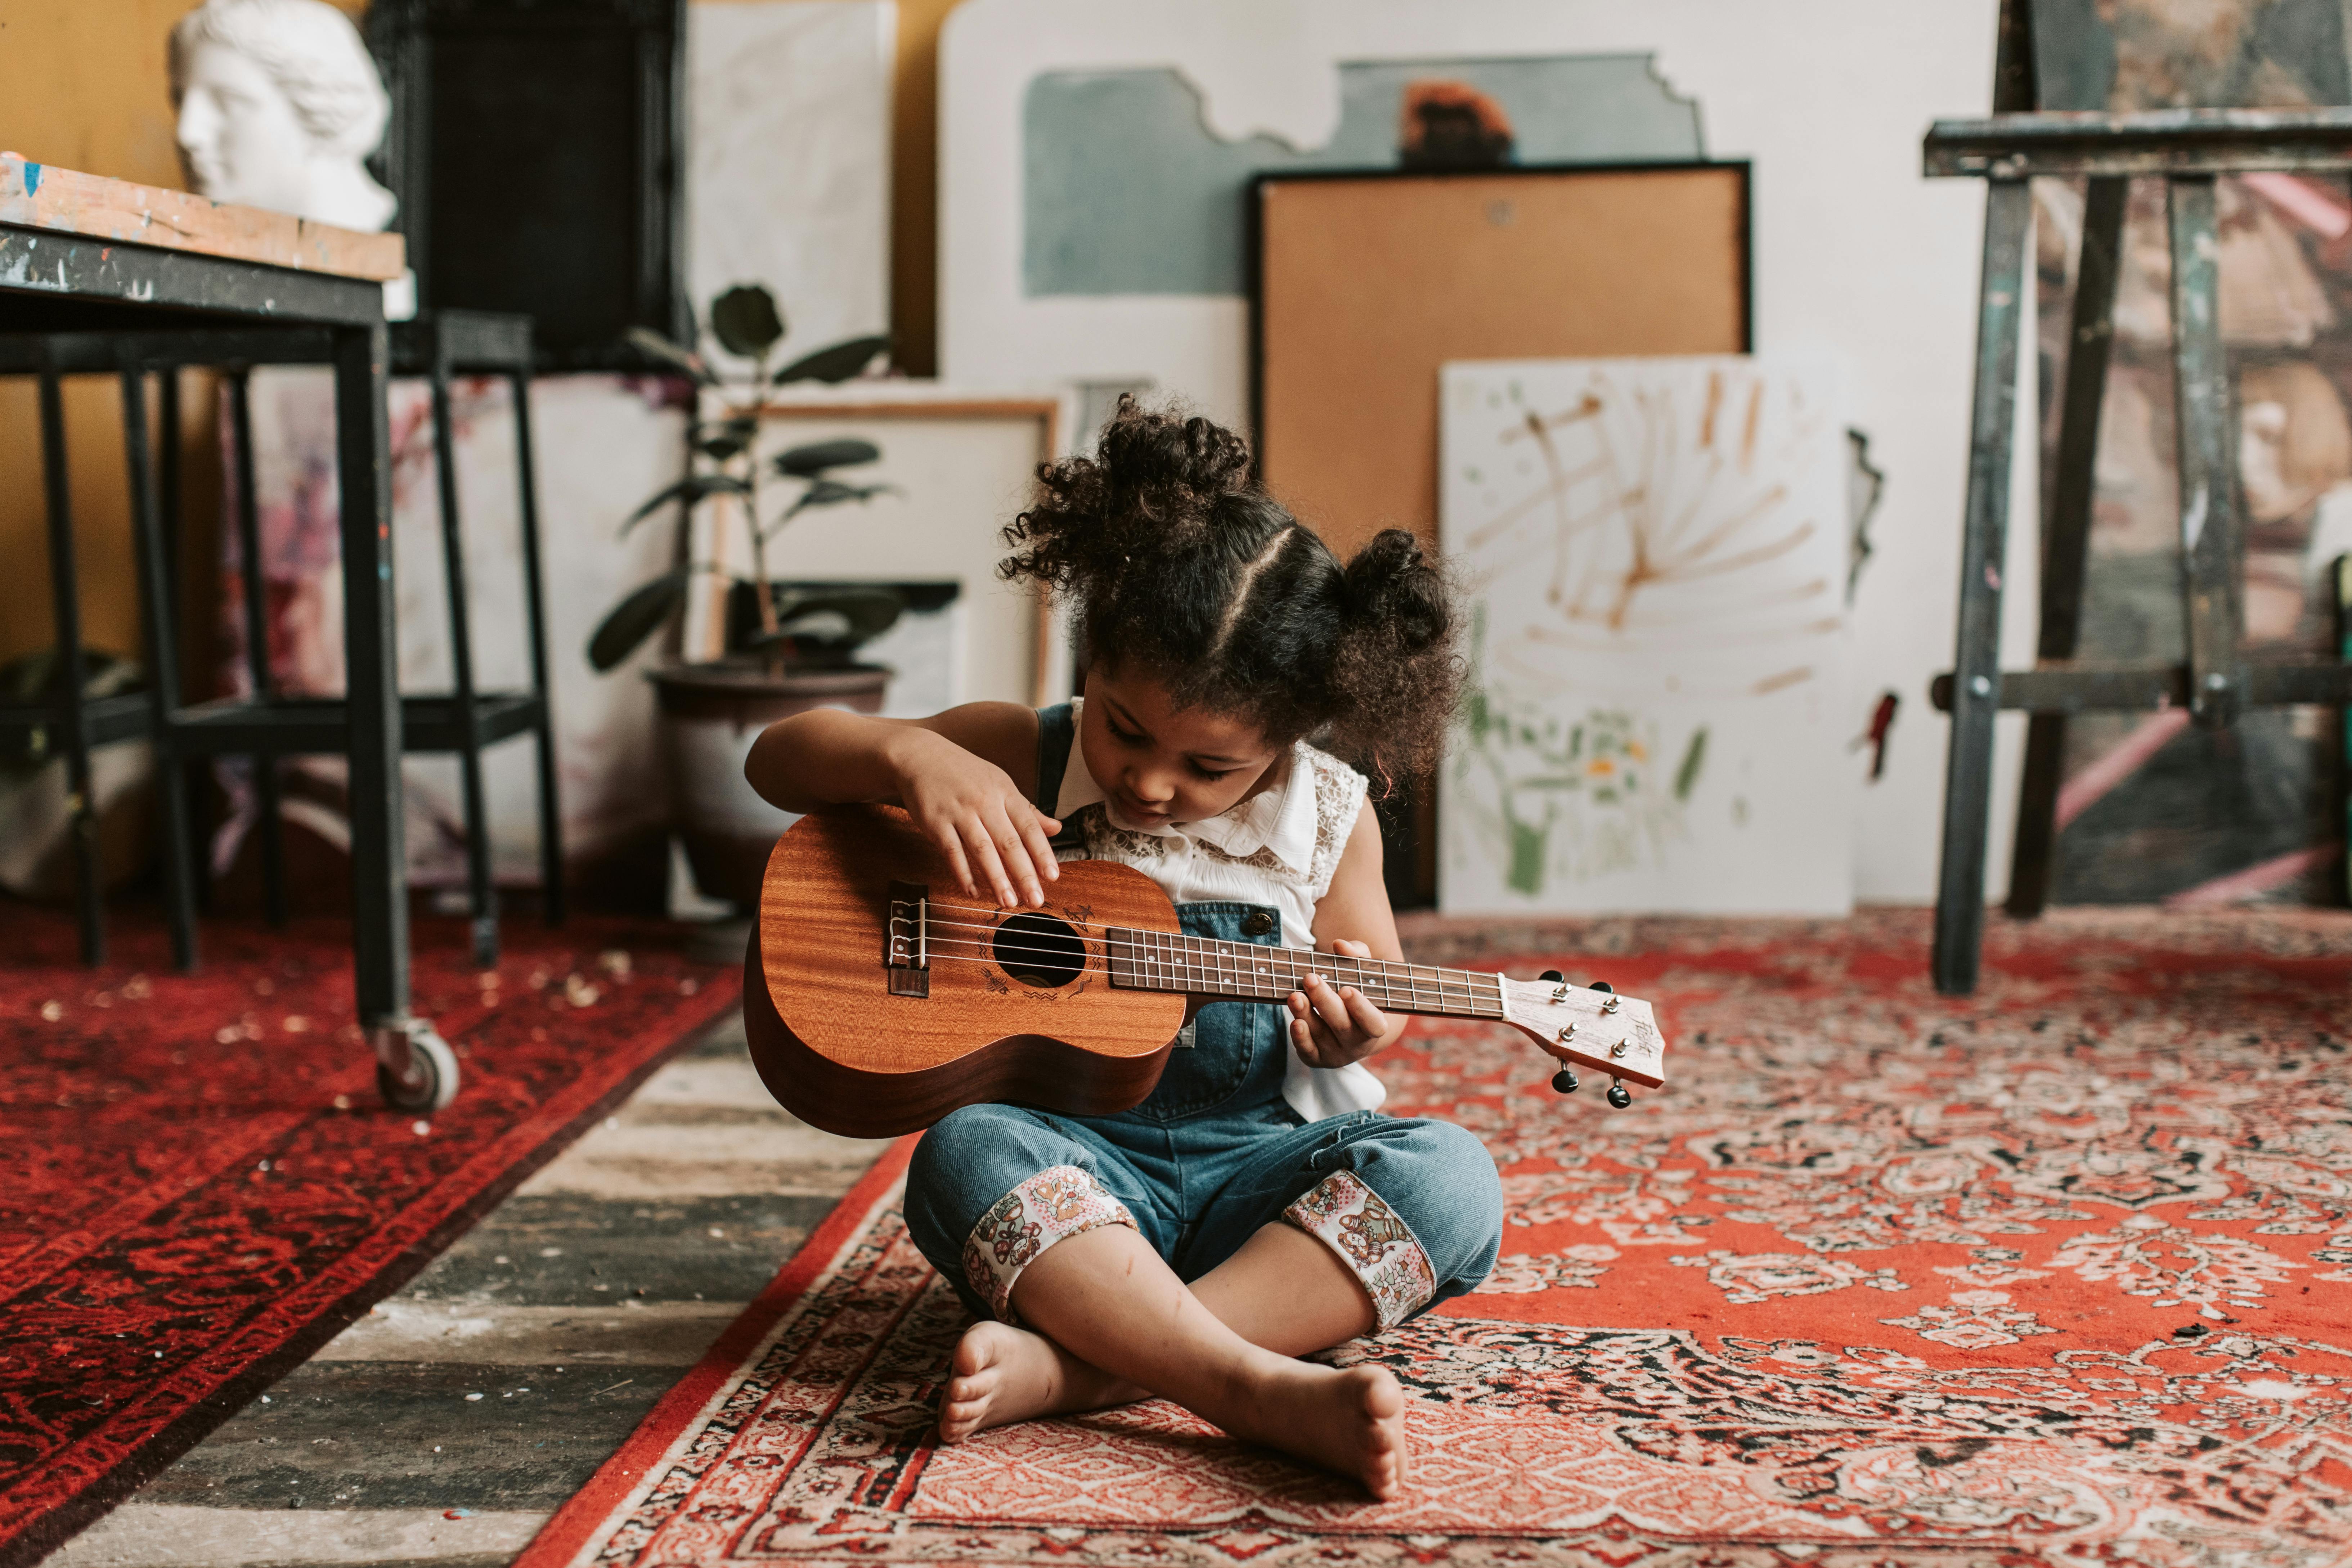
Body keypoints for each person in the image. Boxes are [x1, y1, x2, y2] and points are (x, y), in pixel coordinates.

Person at [745, 399, 1503, 1499]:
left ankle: (1083, 1371)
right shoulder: (1024, 751)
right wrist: (909, 757)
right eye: (1126, 728)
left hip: (1262, 1182)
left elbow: (1368, 979)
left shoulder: (1330, 821)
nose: (1150, 784)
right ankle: (1249, 1383)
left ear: (1290, 740)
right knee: (961, 1152)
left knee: (1453, 1179)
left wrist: (1359, 1016)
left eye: (1210, 767)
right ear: (1092, 659)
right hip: (1081, 1179)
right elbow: (777, 760)